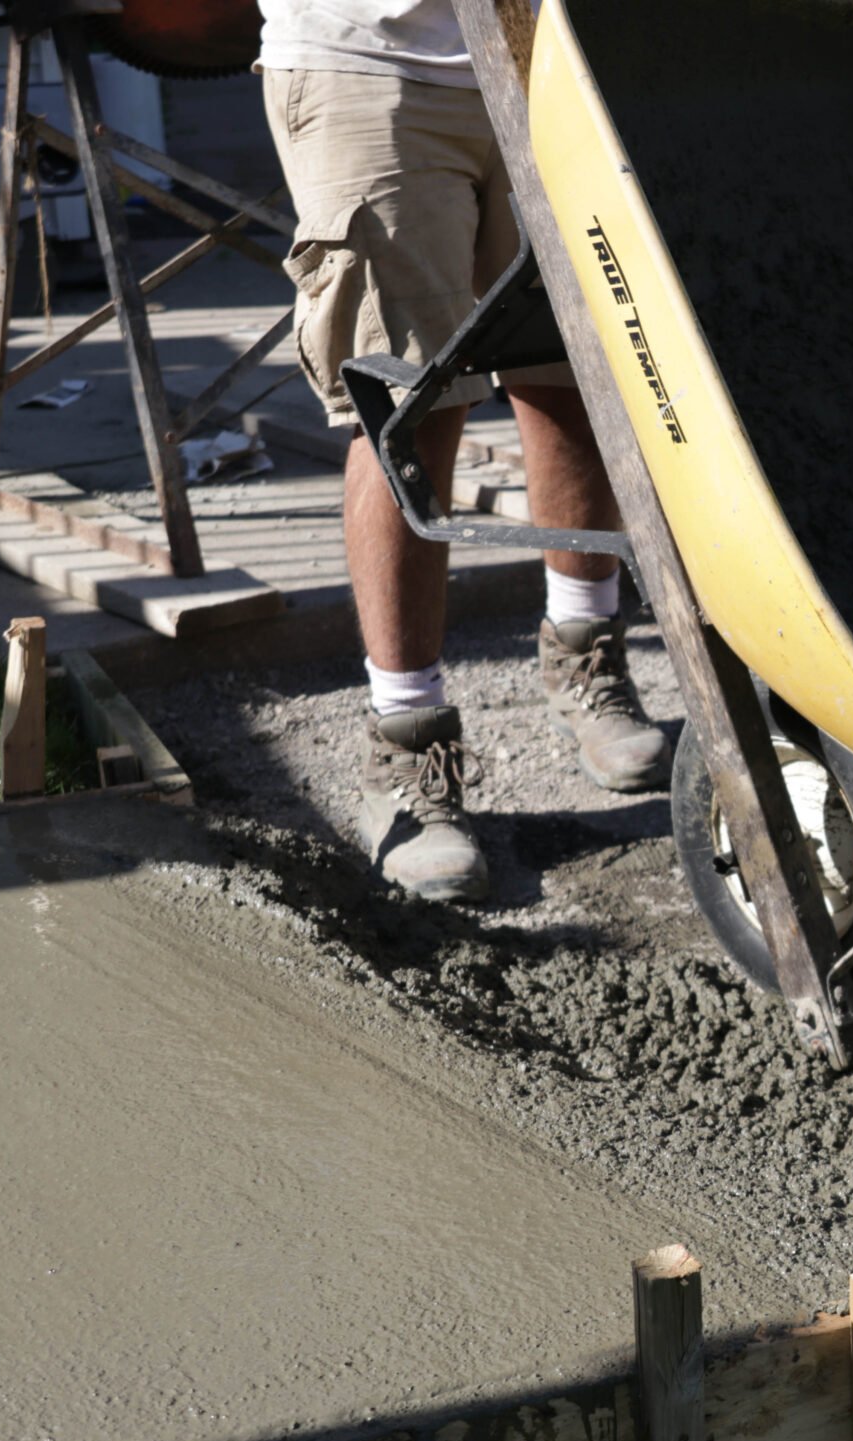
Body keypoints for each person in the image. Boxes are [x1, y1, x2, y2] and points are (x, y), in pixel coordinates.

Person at [259, 0, 669, 903]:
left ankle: (585, 659)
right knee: (411, 408)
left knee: (572, 377)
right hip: (372, 66)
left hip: (537, 56)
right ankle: (404, 745)